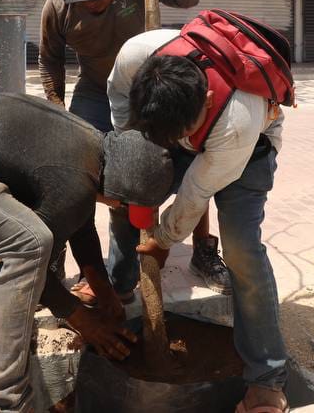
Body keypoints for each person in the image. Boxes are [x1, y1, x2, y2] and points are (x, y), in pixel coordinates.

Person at [0, 92, 174, 413]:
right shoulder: (76, 183)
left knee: (16, 206)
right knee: (29, 244)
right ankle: (2, 401)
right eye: (123, 204)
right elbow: (38, 262)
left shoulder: (91, 143)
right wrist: (84, 320)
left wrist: (105, 292)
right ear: (119, 198)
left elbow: (78, 219)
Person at [38, 0, 232, 298]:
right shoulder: (59, 6)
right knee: (76, 170)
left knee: (192, 158)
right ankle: (90, 265)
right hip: (96, 90)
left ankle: (204, 251)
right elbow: (50, 61)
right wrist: (57, 108)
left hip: (150, 87)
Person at [108, 33, 289, 413]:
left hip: (249, 149)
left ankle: (266, 379)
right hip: (183, 130)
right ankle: (118, 287)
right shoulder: (134, 56)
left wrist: (162, 239)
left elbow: (194, 194)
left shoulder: (237, 121)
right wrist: (131, 147)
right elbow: (118, 94)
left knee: (242, 251)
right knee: (127, 183)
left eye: (183, 132)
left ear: (205, 101)